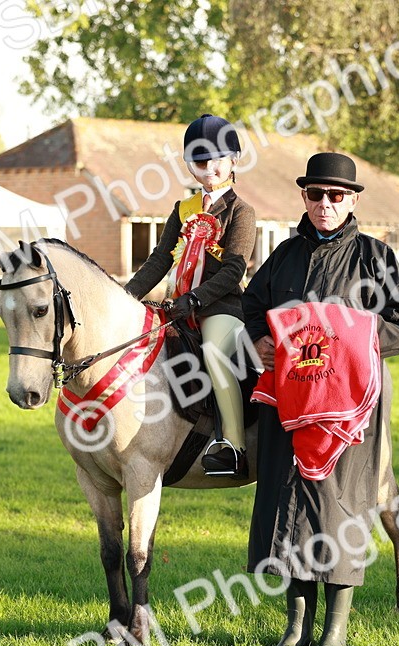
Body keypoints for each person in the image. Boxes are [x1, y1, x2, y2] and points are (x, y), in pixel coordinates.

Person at [243, 152, 399, 646]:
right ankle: (295, 630)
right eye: (316, 194)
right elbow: (252, 305)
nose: (325, 204)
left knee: (338, 507)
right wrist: (258, 337)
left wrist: (354, 343)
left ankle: (334, 634)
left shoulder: (375, 258)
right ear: (304, 197)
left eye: (336, 195)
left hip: (349, 407)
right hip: (291, 401)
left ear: (352, 200)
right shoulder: (283, 256)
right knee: (289, 503)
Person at [123, 114, 257, 477]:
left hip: (221, 307)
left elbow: (234, 270)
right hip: (177, 305)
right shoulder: (182, 211)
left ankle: (232, 446)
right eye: (200, 160)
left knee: (214, 354)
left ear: (233, 161)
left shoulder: (241, 212)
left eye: (217, 158)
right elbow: (159, 260)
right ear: (189, 166)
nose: (209, 166)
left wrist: (196, 300)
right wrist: (126, 296)